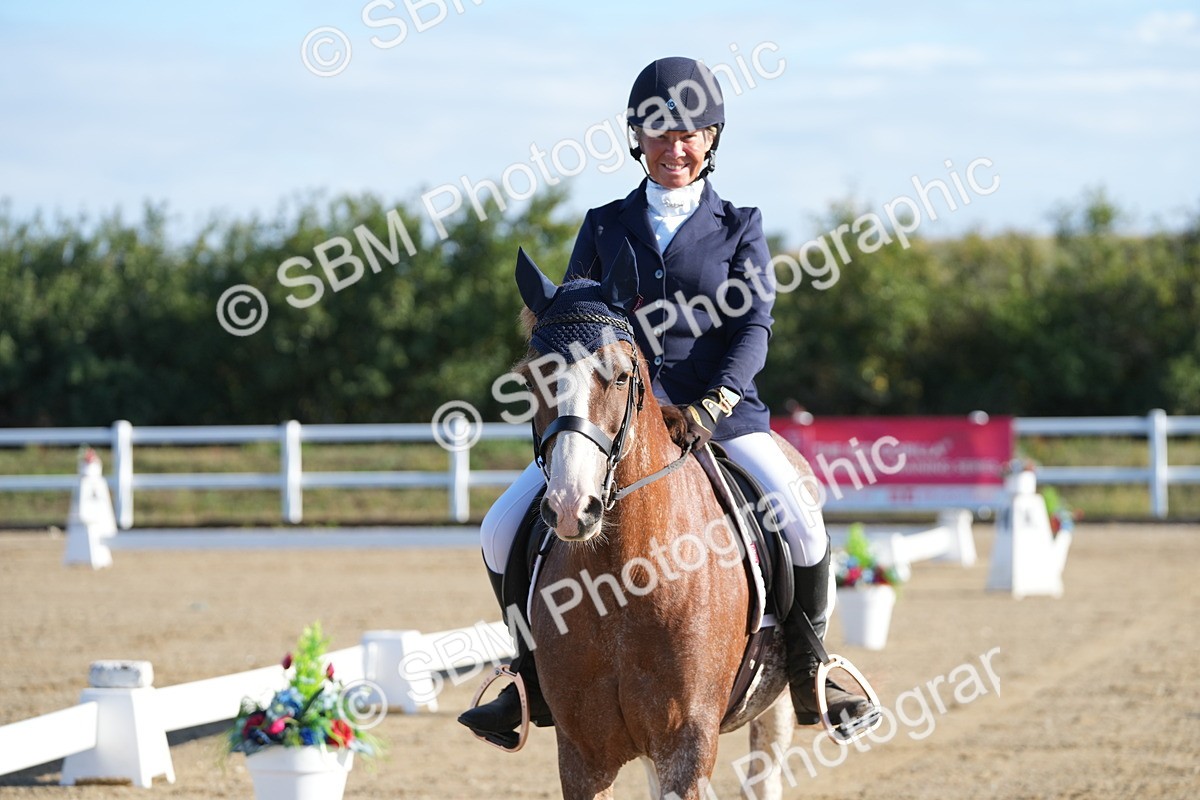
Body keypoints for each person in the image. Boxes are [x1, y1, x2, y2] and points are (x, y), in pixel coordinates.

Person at [459, 56, 876, 742]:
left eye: (689, 135)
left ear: (710, 139)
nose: (674, 149)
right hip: (615, 422)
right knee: (500, 529)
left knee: (801, 519)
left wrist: (714, 403)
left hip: (721, 415)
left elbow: (753, 327)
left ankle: (810, 670)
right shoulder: (604, 223)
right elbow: (574, 320)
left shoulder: (739, 225)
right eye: (659, 134)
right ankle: (528, 677)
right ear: (637, 139)